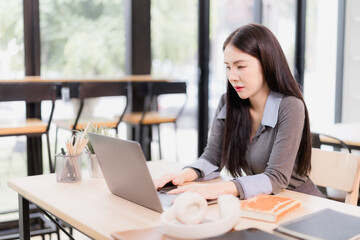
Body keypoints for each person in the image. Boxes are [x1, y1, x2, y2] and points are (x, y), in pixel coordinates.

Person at [153, 23, 323, 200]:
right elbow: (212, 158)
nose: (232, 76)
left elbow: (276, 178)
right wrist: (183, 175)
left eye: (240, 66)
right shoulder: (228, 102)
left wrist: (219, 189)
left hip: (300, 202)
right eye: (228, 67)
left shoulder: (290, 106)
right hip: (261, 202)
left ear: (266, 63)